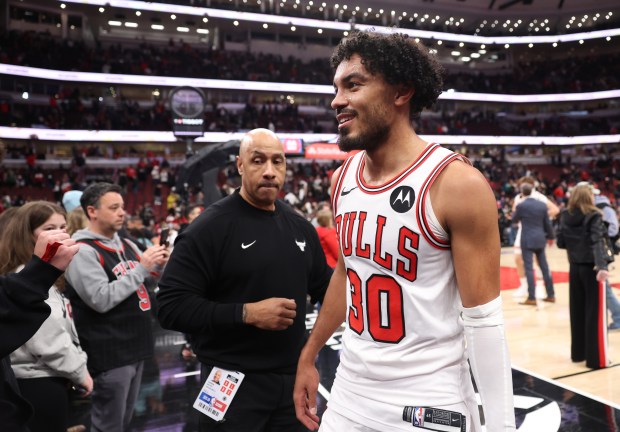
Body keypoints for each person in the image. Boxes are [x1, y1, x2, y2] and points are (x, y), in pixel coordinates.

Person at [293, 31, 516, 432]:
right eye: (336, 88)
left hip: (428, 402)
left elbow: (483, 321)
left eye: (353, 85)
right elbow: (347, 274)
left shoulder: (456, 184)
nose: (336, 101)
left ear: (402, 91)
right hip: (349, 393)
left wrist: (501, 426)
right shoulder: (340, 180)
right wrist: (309, 355)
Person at [157, 128, 332, 432]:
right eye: (257, 161)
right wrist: (247, 313)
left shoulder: (301, 228)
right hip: (229, 380)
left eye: (278, 162)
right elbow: (170, 307)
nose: (269, 171)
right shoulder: (208, 228)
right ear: (239, 165)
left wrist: (310, 354)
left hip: (291, 381)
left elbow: (329, 291)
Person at [64, 182, 169, 432]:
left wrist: (158, 265)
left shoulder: (126, 244)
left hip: (137, 346)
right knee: (108, 424)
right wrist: (142, 268)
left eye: (122, 206)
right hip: (110, 351)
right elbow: (100, 299)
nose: (122, 212)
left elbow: (146, 281)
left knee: (123, 421)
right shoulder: (82, 250)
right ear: (92, 211)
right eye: (114, 207)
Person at [0, 202, 93, 432]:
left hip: (45, 377)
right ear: (29, 234)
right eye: (50, 228)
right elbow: (47, 341)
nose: (60, 234)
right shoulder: (27, 277)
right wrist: (80, 372)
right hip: (37, 381)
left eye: (64, 226)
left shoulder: (43, 277)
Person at [556, 182, 611, 369]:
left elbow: (561, 243)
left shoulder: (564, 215)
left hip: (574, 268)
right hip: (591, 269)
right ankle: (595, 360)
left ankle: (578, 353)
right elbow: (597, 242)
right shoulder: (594, 216)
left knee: (577, 311)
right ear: (589, 197)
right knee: (593, 313)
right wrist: (602, 266)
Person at [511, 176, 559, 298]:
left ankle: (538, 287)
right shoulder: (518, 197)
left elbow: (555, 209)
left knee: (538, 262)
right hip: (523, 230)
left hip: (535, 229)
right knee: (517, 258)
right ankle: (523, 285)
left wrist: (538, 217)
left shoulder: (539, 197)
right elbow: (514, 212)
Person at [594, 188, 620, 330]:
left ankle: (618, 316)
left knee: (605, 288)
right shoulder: (600, 207)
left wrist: (600, 235)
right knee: (602, 287)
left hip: (601, 251)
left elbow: (613, 229)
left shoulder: (605, 209)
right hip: (598, 250)